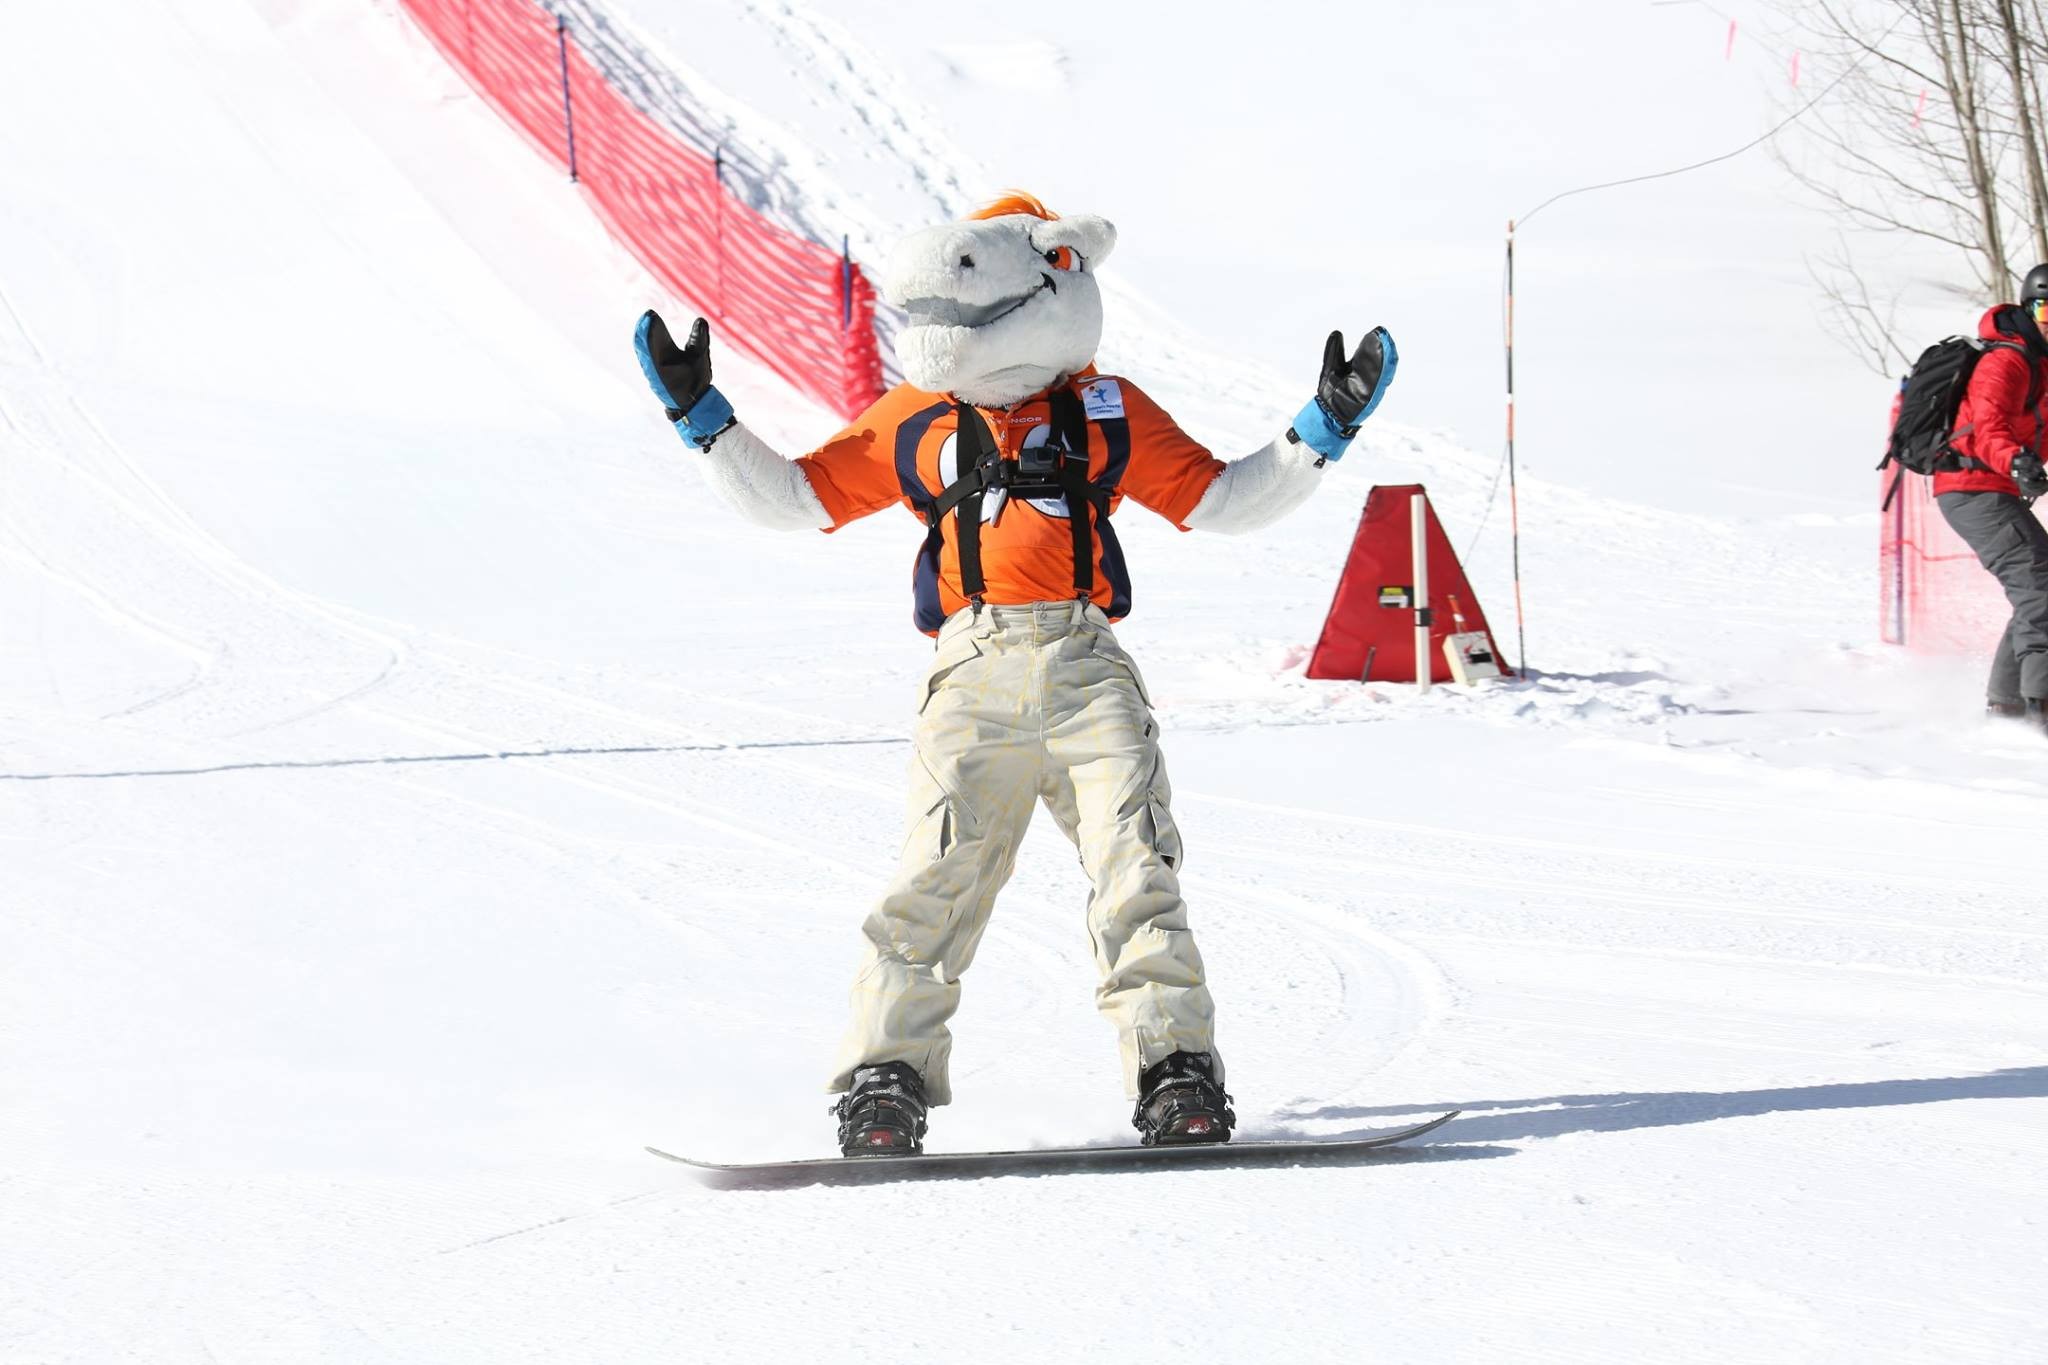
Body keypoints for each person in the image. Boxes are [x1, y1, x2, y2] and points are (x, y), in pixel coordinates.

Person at [633, 193, 1396, 1156]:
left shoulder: (1104, 410)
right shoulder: (918, 418)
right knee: (936, 873)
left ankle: (1176, 1073)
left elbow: (1220, 499)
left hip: (1084, 661)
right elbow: (796, 498)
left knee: (1138, 864)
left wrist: (1321, 426)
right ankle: (885, 1078)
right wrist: (702, 417)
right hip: (973, 665)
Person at [1938, 263, 2048, 732]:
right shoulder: (2008, 359)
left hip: (1993, 486)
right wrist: (2015, 460)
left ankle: (2006, 707)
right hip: (1972, 486)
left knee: (2036, 589)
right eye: (2045, 308)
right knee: (2042, 589)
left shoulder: (2041, 363)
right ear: (2028, 307)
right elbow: (1989, 426)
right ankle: (2038, 708)